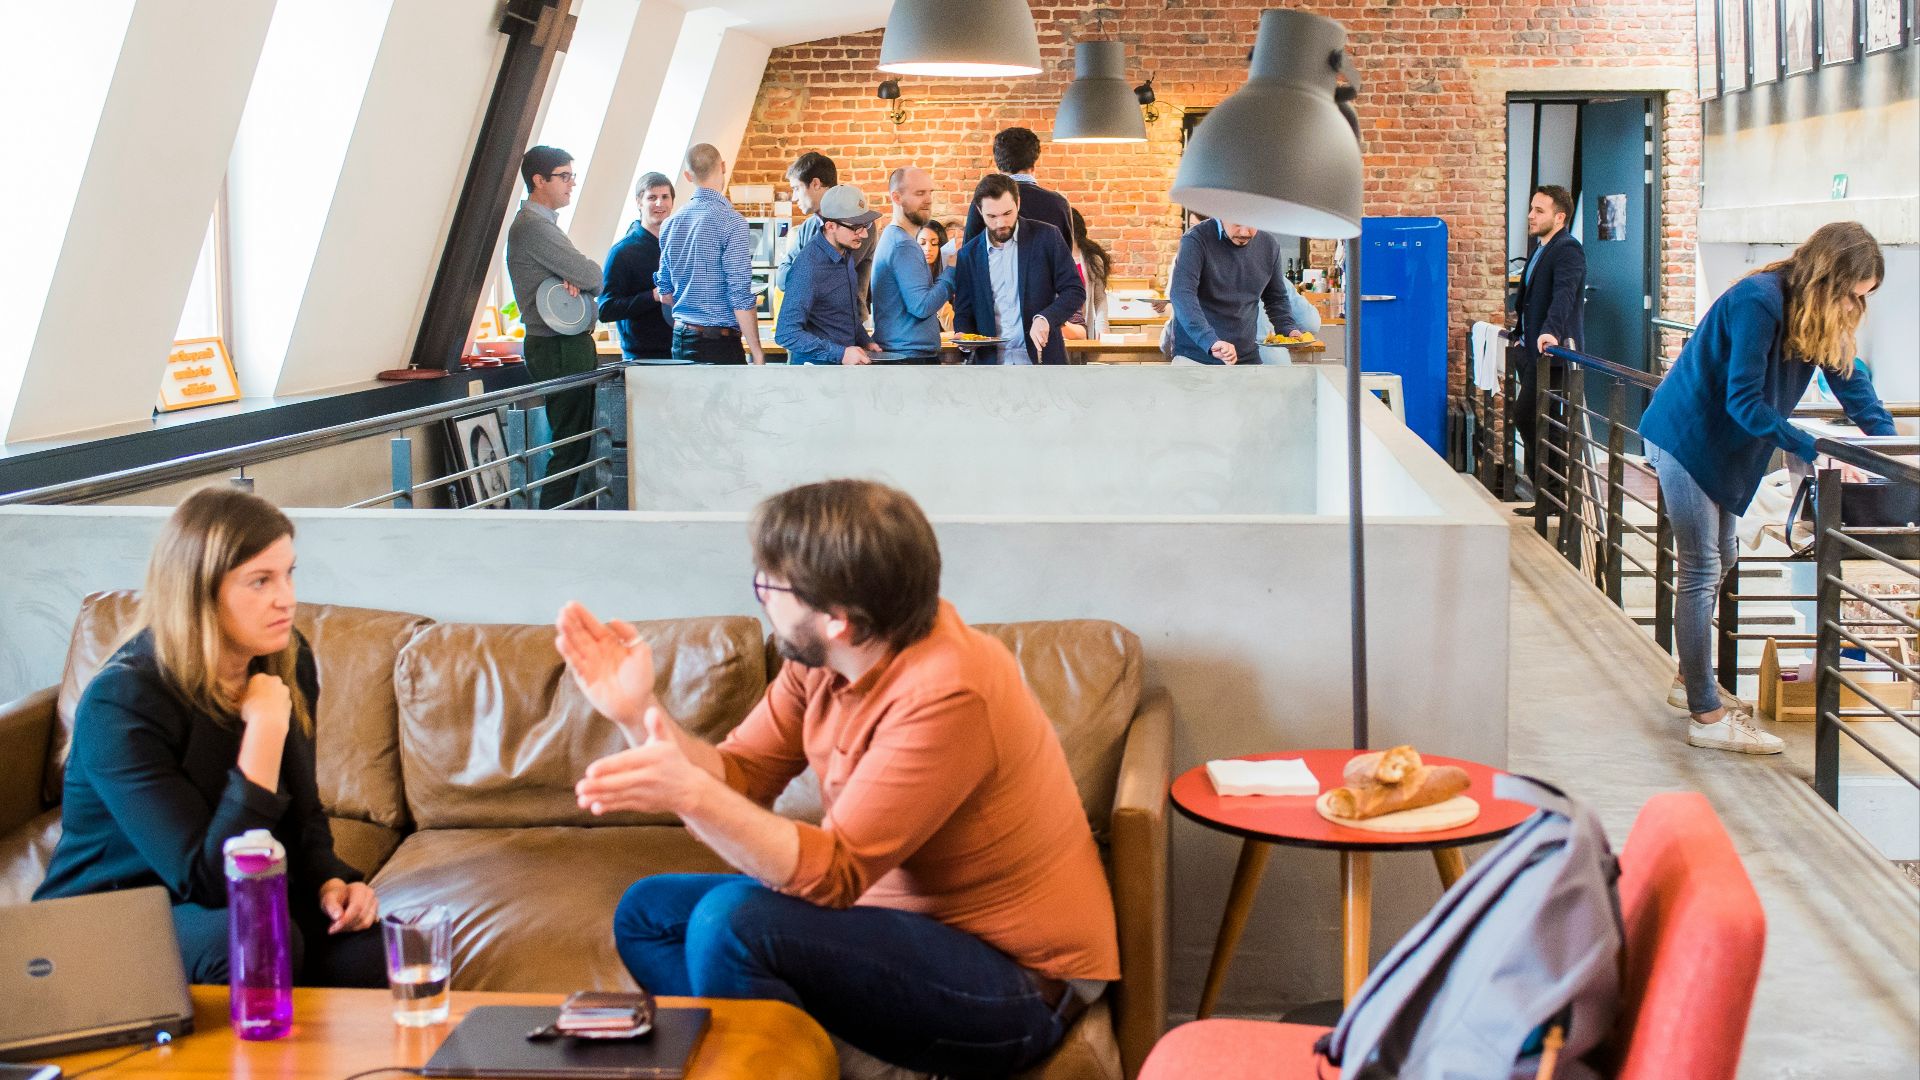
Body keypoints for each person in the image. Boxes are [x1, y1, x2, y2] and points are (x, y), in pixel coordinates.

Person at [559, 479, 1118, 1078]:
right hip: (899, 931)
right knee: (647, 915)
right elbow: (741, 774)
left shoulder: (949, 693)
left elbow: (835, 875)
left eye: (770, 586)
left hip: (1018, 984)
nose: (762, 598)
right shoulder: (826, 660)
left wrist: (692, 796)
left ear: (838, 621)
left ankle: (781, 1063)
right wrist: (636, 712)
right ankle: (793, 1059)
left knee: (731, 923)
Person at [34, 488, 384, 987]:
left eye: (288, 574)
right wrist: (264, 733)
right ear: (199, 591)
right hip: (108, 918)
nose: (286, 598)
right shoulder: (122, 701)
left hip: (222, 903)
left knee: (376, 950)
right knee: (256, 937)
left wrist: (333, 881)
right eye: (260, 581)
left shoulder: (286, 659)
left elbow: (304, 818)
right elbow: (209, 881)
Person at [1640, 221, 1896, 755]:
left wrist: (1892, 452)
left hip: (1723, 448)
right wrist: (1811, 447)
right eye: (1853, 294)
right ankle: (1706, 716)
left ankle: (1691, 680)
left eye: (1864, 298)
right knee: (1702, 567)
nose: (1856, 306)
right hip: (1685, 438)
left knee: (1724, 557)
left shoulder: (1813, 312)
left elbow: (1851, 382)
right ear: (1830, 279)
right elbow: (1745, 401)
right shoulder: (1759, 301)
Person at [507, 145, 604, 508]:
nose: (571, 183)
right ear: (539, 180)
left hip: (563, 344)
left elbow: (583, 278)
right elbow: (593, 277)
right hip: (558, 346)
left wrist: (572, 279)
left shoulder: (541, 226)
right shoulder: (534, 228)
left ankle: (559, 517)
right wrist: (577, 277)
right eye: (564, 176)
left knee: (576, 443)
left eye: (571, 176)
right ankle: (551, 520)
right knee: (570, 446)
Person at [951, 173, 1084, 366]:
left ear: (1018, 203)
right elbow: (963, 311)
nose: (1001, 223)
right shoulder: (968, 255)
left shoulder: (1047, 237)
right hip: (992, 365)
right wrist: (963, 335)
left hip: (1042, 361)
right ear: (980, 211)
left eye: (1007, 213)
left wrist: (1046, 318)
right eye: (992, 216)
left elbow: (1074, 290)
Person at [1510, 184, 1586, 514]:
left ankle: (1552, 494)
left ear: (1559, 217)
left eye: (1539, 211)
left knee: (1533, 418)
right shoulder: (1541, 248)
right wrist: (1518, 334)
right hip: (1530, 352)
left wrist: (1551, 332)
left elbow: (1564, 295)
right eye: (1531, 208)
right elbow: (1530, 299)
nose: (1530, 215)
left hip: (1551, 356)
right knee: (1537, 420)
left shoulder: (1568, 249)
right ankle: (1545, 495)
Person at [655, 144, 766, 364]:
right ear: (723, 166)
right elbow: (739, 295)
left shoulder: (670, 223)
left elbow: (665, 293)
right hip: (718, 343)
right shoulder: (732, 222)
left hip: (680, 339)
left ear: (688, 176)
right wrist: (757, 352)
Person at [774, 185, 884, 366]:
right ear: (830, 226)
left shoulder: (845, 254)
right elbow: (786, 333)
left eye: (866, 225)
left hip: (841, 371)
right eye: (857, 227)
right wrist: (840, 354)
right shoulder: (808, 267)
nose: (864, 234)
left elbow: (842, 314)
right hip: (815, 373)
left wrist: (864, 340)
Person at [1167, 218, 1299, 365]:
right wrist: (1210, 341)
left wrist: (1288, 328)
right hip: (1196, 357)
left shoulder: (1269, 245)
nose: (1244, 232)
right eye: (1237, 222)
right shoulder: (1196, 239)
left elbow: (1276, 298)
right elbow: (1182, 294)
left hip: (1247, 357)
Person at [774, 152, 876, 317]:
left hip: (845, 325)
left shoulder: (861, 225)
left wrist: (801, 270)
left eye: (796, 188)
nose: (794, 198)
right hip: (808, 324)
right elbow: (781, 278)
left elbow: (829, 276)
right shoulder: (806, 227)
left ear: (815, 184)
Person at [871, 167, 957, 363]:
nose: (928, 200)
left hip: (902, 355)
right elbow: (921, 306)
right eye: (919, 193)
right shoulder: (904, 244)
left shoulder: (893, 237)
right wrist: (951, 271)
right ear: (896, 197)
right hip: (908, 359)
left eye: (930, 192)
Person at [599, 171, 675, 360]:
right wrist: (653, 296)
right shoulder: (622, 251)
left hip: (681, 352)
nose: (660, 203)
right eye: (652, 197)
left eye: (665, 197)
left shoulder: (680, 245)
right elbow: (606, 309)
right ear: (639, 202)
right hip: (642, 358)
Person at [962, 127, 1074, 248]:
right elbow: (1067, 253)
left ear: (998, 165)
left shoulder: (985, 202)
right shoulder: (1058, 203)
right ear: (1034, 163)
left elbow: (969, 252)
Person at [1060, 208, 1110, 341]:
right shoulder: (1051, 257)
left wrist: (1102, 328)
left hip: (1080, 327)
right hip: (1056, 325)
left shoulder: (1092, 260)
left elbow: (1100, 299)